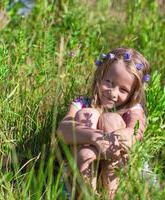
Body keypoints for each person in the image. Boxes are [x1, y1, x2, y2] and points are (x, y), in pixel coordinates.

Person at [57, 47, 150, 199]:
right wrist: (94, 137)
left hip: (119, 170)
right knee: (87, 114)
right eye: (109, 82)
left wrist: (92, 151)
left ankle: (111, 195)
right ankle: (86, 194)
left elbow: (134, 133)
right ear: (100, 76)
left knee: (111, 119)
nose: (113, 93)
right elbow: (63, 130)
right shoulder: (81, 103)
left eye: (123, 90)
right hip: (80, 171)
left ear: (133, 93)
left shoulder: (132, 109)